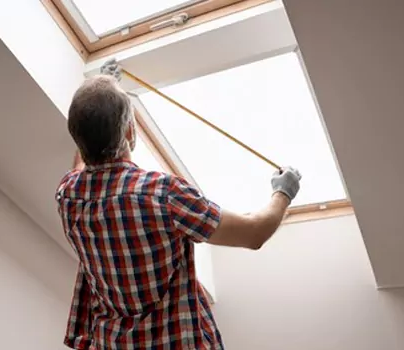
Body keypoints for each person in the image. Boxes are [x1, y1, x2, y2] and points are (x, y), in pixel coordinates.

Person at [55, 59, 302, 349]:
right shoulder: (165, 196)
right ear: (131, 132)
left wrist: (104, 92)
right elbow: (253, 233)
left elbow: (84, 162)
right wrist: (283, 193)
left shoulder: (69, 195)